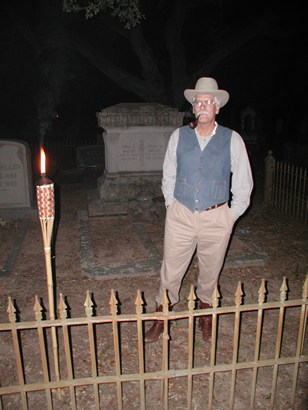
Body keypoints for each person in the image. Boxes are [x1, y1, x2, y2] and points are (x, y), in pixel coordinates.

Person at [144, 77, 254, 343]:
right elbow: (168, 175)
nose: (202, 106)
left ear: (217, 108)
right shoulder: (179, 136)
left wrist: (230, 216)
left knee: (211, 270)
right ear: (193, 108)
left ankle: (206, 315)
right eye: (198, 102)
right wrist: (171, 206)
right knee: (170, 269)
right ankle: (162, 315)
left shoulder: (232, 139)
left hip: (216, 216)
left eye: (208, 102)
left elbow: (243, 182)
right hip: (181, 214)